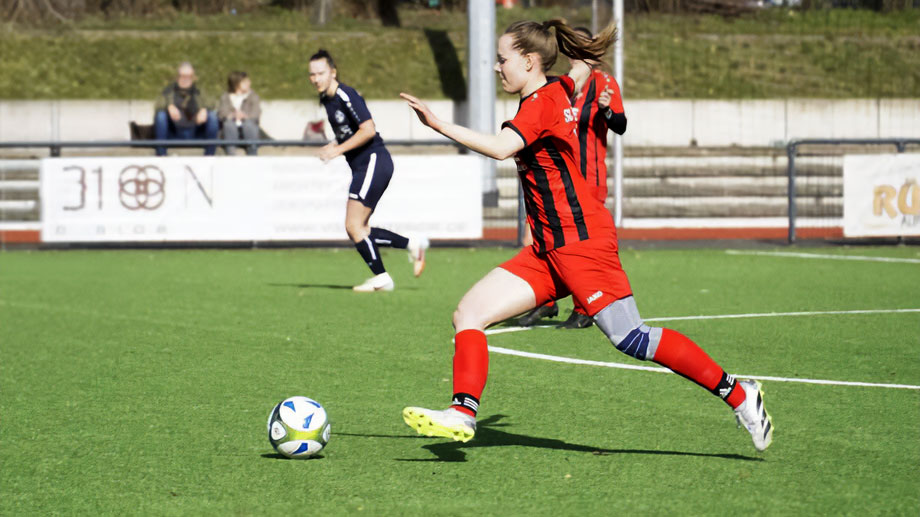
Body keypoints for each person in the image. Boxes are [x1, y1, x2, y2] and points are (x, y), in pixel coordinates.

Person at [399, 19, 773, 451]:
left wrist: (437, 123)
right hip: (548, 249)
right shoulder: (557, 88)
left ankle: (739, 394)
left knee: (631, 337)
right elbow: (577, 74)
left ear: (529, 61)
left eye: (503, 59)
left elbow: (501, 148)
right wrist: (583, 54)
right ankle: (462, 413)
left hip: (581, 242)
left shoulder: (541, 104)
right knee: (469, 314)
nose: (497, 67)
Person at [518, 26, 627, 330]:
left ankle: (583, 308)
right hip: (555, 180)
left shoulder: (604, 83)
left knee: (582, 244)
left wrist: (606, 111)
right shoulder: (558, 85)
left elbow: (621, 125)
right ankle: (546, 300)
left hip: (589, 177)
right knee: (535, 237)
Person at [308, 49, 429, 292]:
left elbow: (368, 130)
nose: (316, 78)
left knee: (354, 226)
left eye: (321, 73)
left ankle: (383, 278)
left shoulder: (346, 94)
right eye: (312, 74)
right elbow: (350, 132)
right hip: (364, 166)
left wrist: (337, 150)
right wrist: (335, 144)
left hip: (373, 161)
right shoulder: (327, 100)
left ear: (333, 72)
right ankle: (412, 245)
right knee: (359, 228)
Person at [153, 62, 219, 156]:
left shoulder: (199, 91)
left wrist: (204, 109)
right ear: (177, 77)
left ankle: (209, 155)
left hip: (195, 131)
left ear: (193, 77)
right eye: (182, 76)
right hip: (174, 132)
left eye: (189, 76)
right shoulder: (169, 90)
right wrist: (169, 105)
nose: (185, 79)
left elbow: (212, 103)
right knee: (161, 115)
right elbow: (157, 105)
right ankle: (161, 154)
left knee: (212, 116)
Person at [218, 70, 262, 156]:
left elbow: (256, 113)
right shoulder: (226, 97)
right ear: (236, 83)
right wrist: (233, 115)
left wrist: (244, 116)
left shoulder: (253, 96)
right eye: (245, 82)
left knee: (248, 125)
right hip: (231, 131)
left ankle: (252, 155)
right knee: (229, 125)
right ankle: (231, 154)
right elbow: (222, 113)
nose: (249, 83)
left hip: (248, 130)